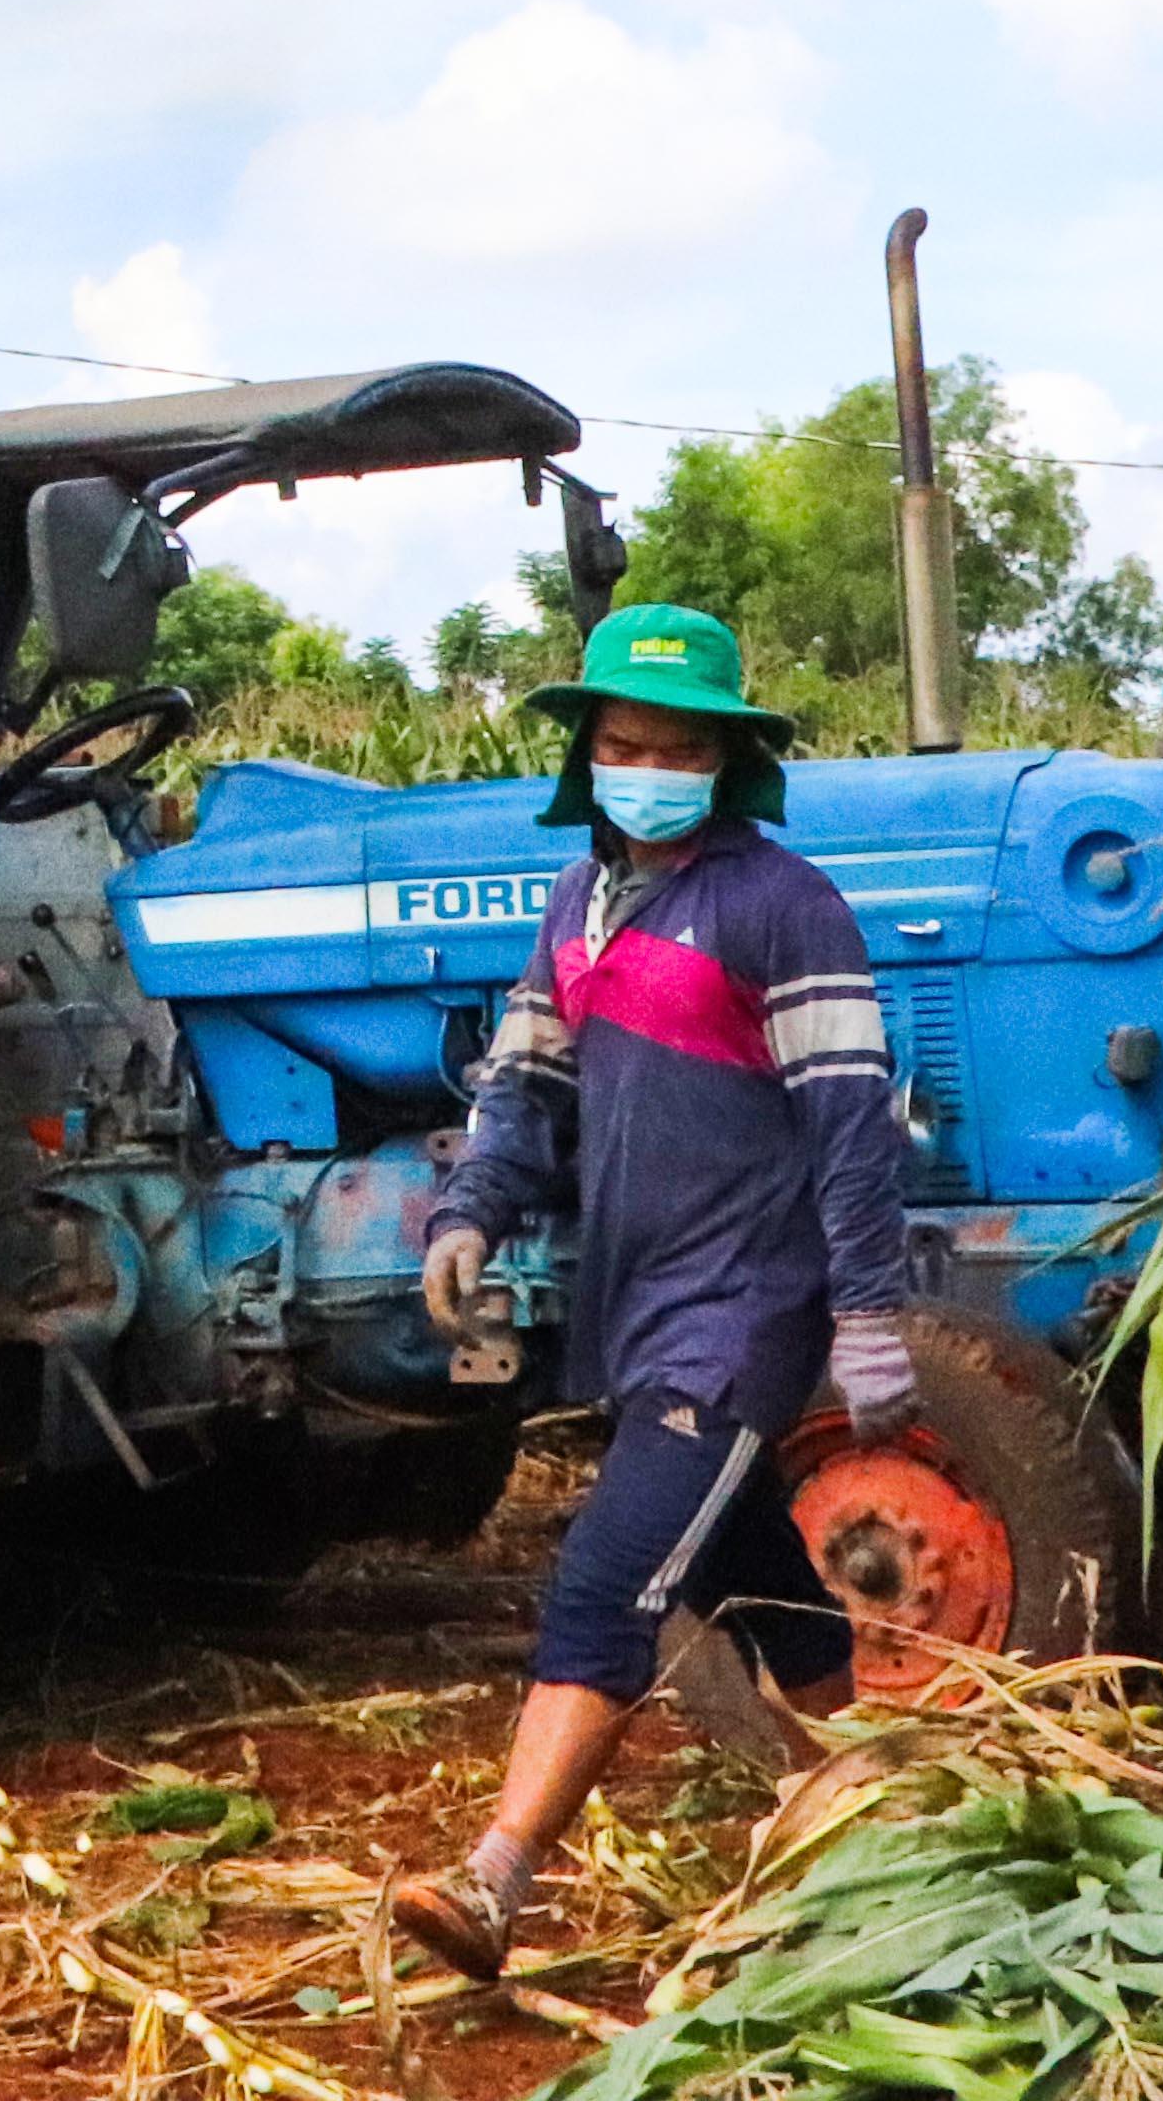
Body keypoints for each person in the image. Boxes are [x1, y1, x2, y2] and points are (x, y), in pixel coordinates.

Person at [385, 601, 919, 1979]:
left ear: (728, 760)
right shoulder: (577, 905)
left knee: (608, 1580)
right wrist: (468, 1214)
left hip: (745, 1305)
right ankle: (871, 1810)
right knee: (746, 1573)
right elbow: (525, 1085)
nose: (649, 765)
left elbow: (852, 1123)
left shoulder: (784, 907)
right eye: (626, 741)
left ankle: (497, 1880)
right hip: (641, 1301)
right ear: (589, 753)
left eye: (680, 747)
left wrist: (864, 1314)